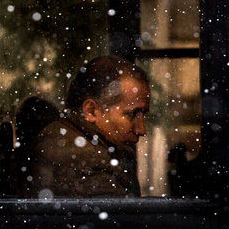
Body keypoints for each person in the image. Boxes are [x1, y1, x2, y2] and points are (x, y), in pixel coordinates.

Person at [27, 55, 150, 198]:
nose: (141, 129)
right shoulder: (83, 159)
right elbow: (120, 211)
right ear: (91, 111)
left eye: (142, 114)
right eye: (132, 114)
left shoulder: (76, 145)